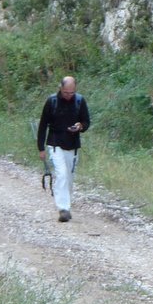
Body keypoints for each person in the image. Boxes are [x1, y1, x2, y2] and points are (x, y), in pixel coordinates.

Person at [37, 76, 90, 223]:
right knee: (61, 175)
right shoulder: (51, 101)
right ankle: (63, 208)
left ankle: (66, 205)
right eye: (66, 92)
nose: (69, 95)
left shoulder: (80, 101)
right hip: (55, 144)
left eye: (72, 92)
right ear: (60, 88)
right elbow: (42, 126)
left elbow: (86, 122)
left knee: (69, 178)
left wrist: (80, 126)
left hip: (72, 146)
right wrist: (41, 148)